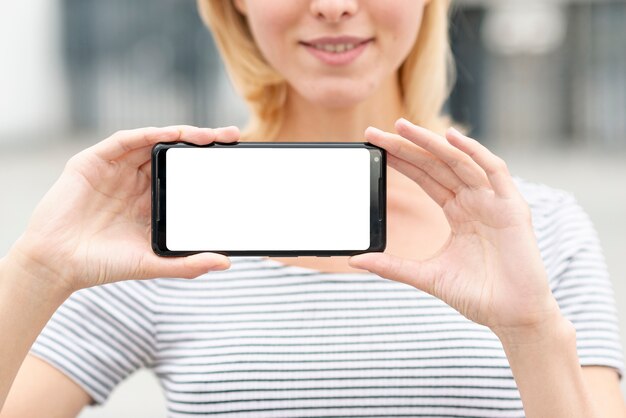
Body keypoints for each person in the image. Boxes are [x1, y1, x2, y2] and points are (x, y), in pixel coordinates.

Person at [1, 0, 624, 416]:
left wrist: (530, 329)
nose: (331, 5)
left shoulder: (537, 227)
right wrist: (36, 271)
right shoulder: (160, 231)